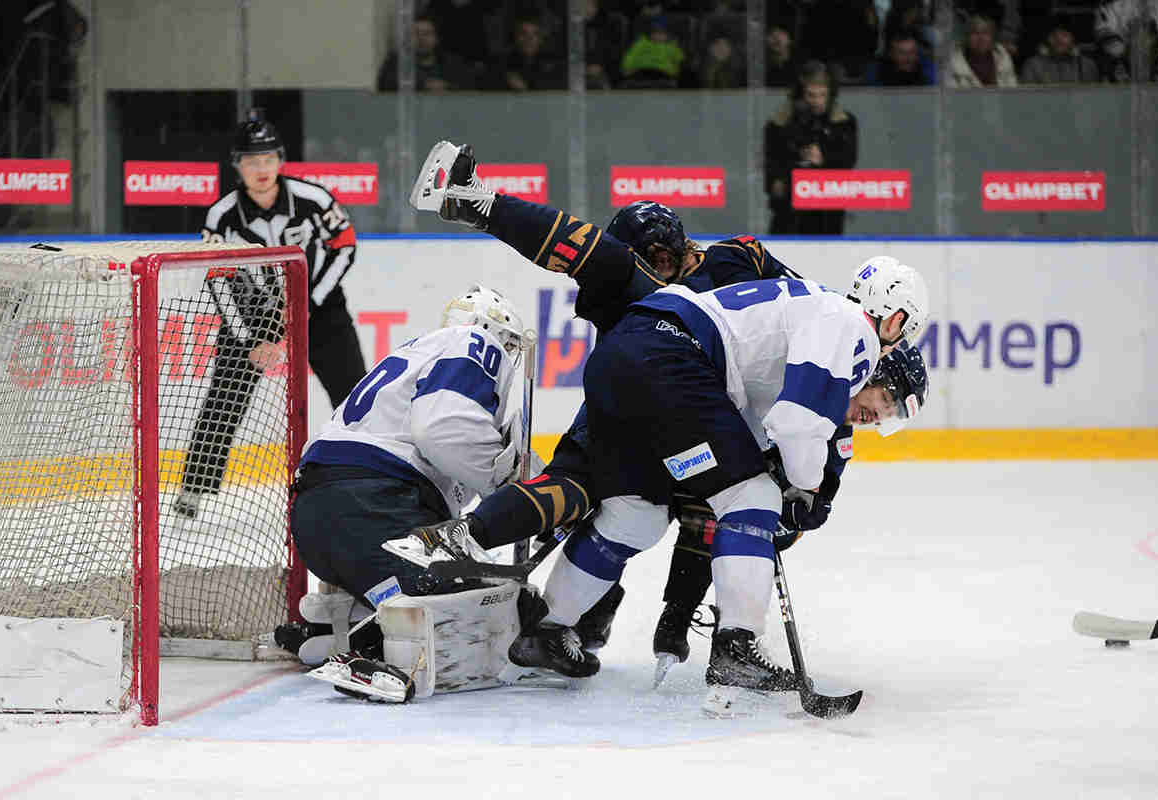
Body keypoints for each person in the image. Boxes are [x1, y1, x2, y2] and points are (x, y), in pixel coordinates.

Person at [398, 142, 930, 702]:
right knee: (744, 497)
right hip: (675, 368)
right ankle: (734, 648)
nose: (874, 414)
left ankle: (540, 618)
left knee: (637, 515)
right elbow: (800, 422)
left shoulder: (752, 272)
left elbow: (788, 410)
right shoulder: (834, 322)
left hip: (638, 380)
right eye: (884, 403)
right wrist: (801, 483)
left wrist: (680, 609)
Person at [651, 339, 929, 684]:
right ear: (870, 373)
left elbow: (816, 498)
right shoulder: (796, 378)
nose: (878, 417)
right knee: (647, 515)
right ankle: (661, 615)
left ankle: (729, 641)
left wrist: (799, 512)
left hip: (709, 488)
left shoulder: (839, 439)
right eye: (885, 401)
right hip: (679, 448)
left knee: (761, 528)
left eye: (889, 415)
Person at [288, 284, 527, 676]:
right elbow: (443, 429)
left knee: (435, 572)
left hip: (316, 519)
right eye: (510, 344)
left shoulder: (416, 352)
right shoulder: (475, 341)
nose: (508, 354)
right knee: (479, 603)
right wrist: (504, 481)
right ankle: (381, 646)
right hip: (372, 510)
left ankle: (338, 624)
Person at [173, 110, 366, 519]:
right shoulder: (221, 216)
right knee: (224, 399)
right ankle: (194, 489)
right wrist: (250, 338)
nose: (260, 169)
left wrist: (309, 304)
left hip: (320, 311)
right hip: (250, 317)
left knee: (355, 396)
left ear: (280, 160)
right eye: (250, 161)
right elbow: (218, 280)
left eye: (267, 159)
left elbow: (345, 246)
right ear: (237, 166)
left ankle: (368, 475)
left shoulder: (314, 199)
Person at [763, 60, 859, 235]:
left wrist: (824, 159)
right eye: (811, 95)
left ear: (830, 95)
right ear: (801, 94)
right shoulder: (781, 124)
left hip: (828, 208)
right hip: (789, 208)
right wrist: (778, 179)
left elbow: (849, 160)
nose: (817, 101)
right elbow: (771, 160)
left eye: (822, 95)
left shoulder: (843, 123)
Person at [377, 15, 477, 92]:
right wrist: (423, 85)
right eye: (416, 34)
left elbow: (469, 86)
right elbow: (385, 85)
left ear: (436, 39)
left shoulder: (452, 63)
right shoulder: (396, 62)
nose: (421, 39)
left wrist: (447, 87)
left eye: (427, 34)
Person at [1095, 0, 1158, 83]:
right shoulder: (1111, 4)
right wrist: (1118, 61)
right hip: (1118, 57)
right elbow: (1104, 32)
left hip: (1154, 58)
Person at [1019, 15, 1101, 85]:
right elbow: (1028, 96)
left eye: (1064, 35)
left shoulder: (1086, 65)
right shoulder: (1033, 65)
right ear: (1047, 39)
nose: (1059, 40)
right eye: (1054, 35)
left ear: (1073, 39)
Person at [945, 14, 1018, 87]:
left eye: (985, 33)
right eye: (975, 33)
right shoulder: (953, 62)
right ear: (966, 37)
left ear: (992, 37)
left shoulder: (1003, 58)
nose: (981, 38)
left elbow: (1012, 88)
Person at [620, 14, 686, 87]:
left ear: (668, 34)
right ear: (650, 33)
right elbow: (631, 56)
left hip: (664, 72)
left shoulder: (671, 45)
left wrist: (678, 71)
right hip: (641, 69)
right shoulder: (642, 43)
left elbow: (680, 59)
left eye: (662, 33)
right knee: (634, 79)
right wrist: (627, 69)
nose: (658, 36)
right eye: (655, 32)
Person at [868, 29, 936, 86]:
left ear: (917, 54)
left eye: (912, 52)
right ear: (891, 54)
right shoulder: (875, 76)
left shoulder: (928, 74)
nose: (908, 58)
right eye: (901, 53)